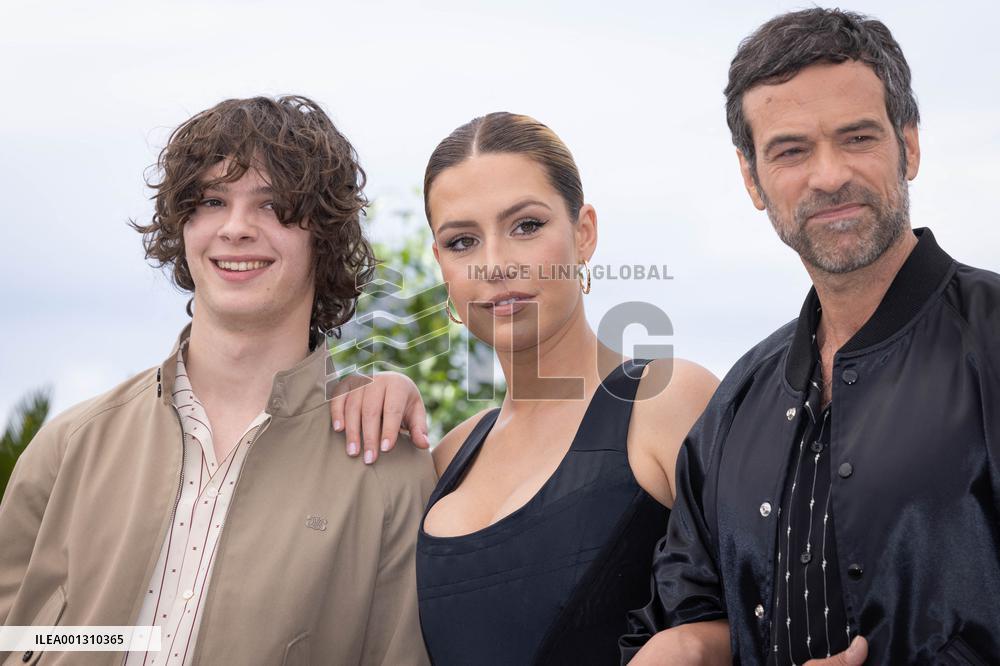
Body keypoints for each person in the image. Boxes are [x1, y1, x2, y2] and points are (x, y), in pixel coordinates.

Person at [622, 8, 1000, 665]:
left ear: (909, 145)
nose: (829, 175)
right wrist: (680, 648)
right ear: (752, 179)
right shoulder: (735, 402)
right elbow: (686, 611)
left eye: (857, 138)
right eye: (791, 151)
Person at [0, 95, 435, 665]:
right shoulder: (69, 446)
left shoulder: (389, 471)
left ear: (323, 238)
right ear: (183, 226)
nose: (235, 228)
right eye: (211, 201)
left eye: (273, 205)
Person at [414, 112, 722, 665]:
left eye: (526, 226)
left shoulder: (665, 400)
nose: (494, 265)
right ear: (442, 266)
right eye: (462, 241)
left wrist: (694, 645)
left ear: (584, 234)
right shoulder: (446, 457)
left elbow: (777, 599)